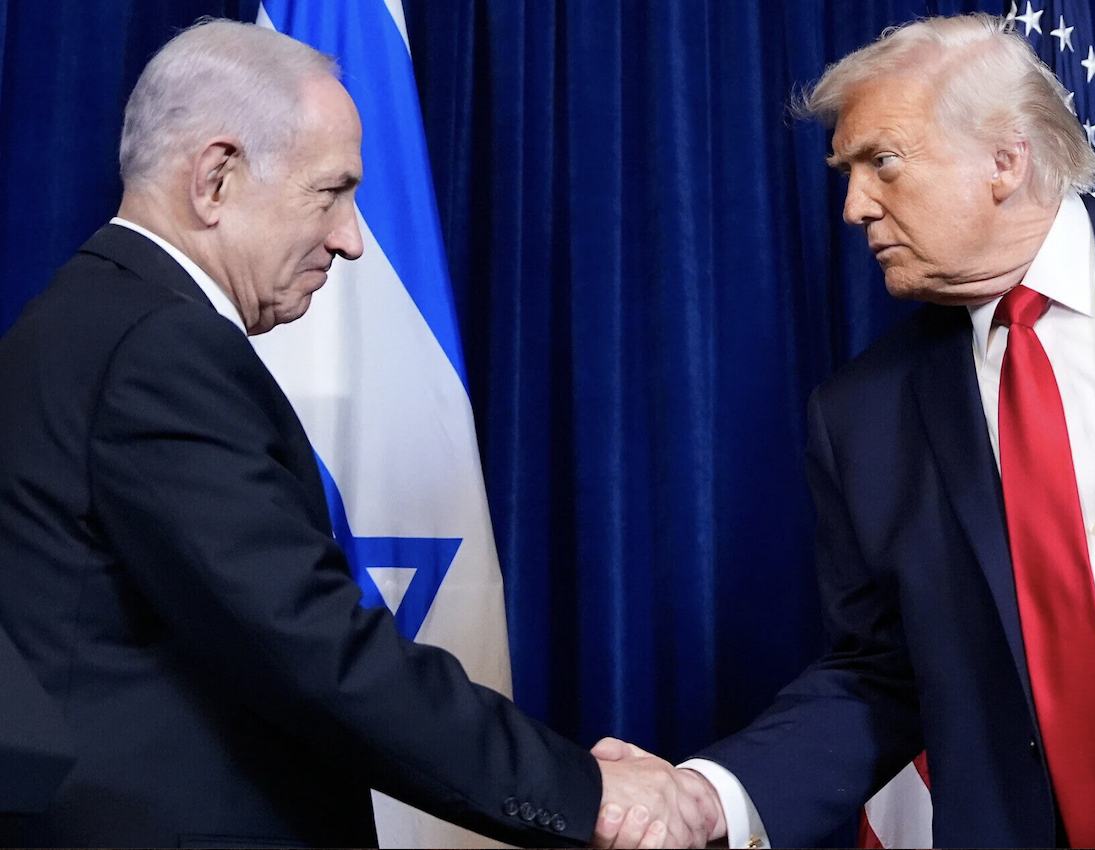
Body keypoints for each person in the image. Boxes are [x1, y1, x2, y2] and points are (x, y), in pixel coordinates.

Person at [595, 12, 1095, 849]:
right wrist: (709, 796)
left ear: (1005, 160)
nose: (854, 207)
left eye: (881, 164)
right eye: (847, 173)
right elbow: (876, 678)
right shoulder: (859, 416)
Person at [0, 19, 720, 849]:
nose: (348, 239)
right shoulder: (157, 345)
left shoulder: (87, 316)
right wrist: (580, 790)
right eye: (329, 191)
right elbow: (307, 643)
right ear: (216, 179)